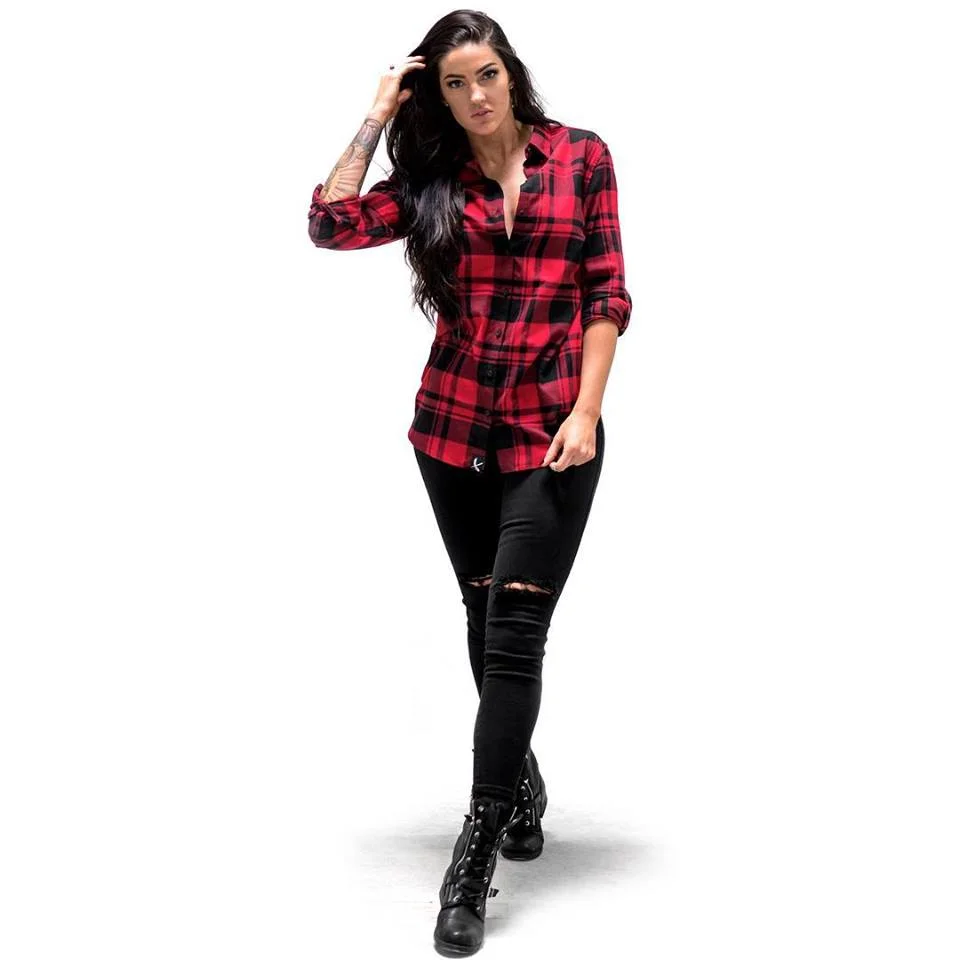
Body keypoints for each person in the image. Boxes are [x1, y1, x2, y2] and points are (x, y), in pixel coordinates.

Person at [307, 11, 632, 956]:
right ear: (437, 97)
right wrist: (377, 113)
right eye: (454, 84)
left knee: (517, 629)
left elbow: (607, 292)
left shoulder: (583, 157)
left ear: (510, 73)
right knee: (484, 614)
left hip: (554, 432)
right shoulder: (433, 183)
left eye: (485, 74)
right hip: (451, 431)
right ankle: (519, 784)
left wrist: (585, 410)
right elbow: (330, 224)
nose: (475, 94)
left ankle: (477, 844)